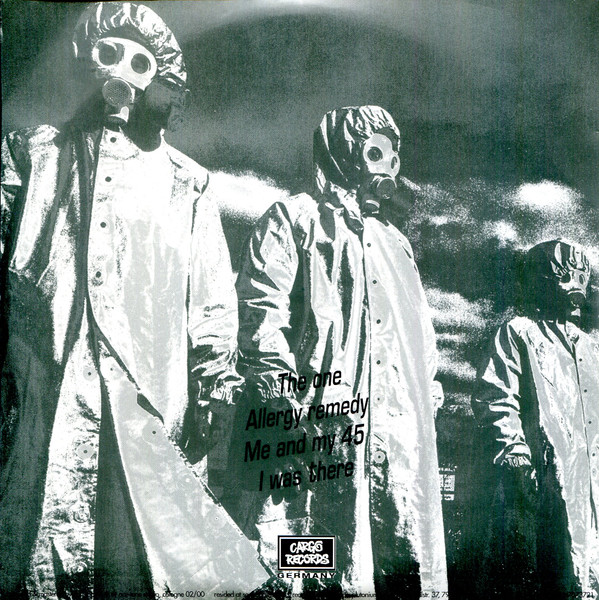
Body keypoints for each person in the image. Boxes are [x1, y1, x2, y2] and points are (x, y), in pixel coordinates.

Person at [0, 3, 266, 597]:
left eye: (140, 62)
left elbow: (212, 302)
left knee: (141, 555)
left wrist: (215, 385)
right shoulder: (30, 157)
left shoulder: (186, 184)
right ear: (88, 60)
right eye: (110, 53)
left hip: (149, 396)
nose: (121, 71)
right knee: (36, 541)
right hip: (45, 389)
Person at [234, 106, 447, 598]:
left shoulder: (395, 243)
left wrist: (425, 397)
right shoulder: (295, 218)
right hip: (316, 426)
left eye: (393, 156)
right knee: (311, 557)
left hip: (396, 433)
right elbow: (261, 307)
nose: (386, 167)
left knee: (396, 555)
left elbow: (420, 335)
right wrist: (277, 390)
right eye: (374, 152)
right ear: (344, 153)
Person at [472, 239, 598, 599]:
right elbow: (496, 394)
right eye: (563, 274)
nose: (574, 285)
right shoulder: (519, 332)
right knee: (544, 564)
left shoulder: (590, 346)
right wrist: (513, 448)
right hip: (543, 472)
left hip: (590, 473)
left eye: (580, 275)